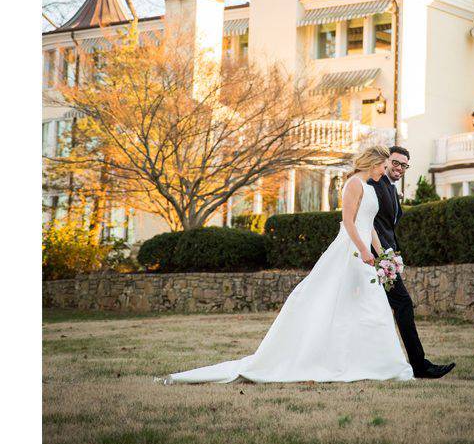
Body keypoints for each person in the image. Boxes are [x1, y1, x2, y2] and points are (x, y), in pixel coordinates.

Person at [164, 146, 415, 383]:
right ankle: (332, 358)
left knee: (369, 304)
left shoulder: (370, 188)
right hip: (350, 250)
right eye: (383, 166)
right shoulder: (353, 184)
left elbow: (368, 223)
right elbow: (348, 222)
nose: (384, 172)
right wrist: (362, 250)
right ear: (373, 163)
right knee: (334, 301)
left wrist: (382, 254)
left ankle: (378, 364)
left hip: (365, 253)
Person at [369, 145, 456, 379]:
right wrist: (382, 256)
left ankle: (416, 364)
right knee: (403, 304)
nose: (399, 168)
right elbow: (366, 222)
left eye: (404, 165)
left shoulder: (389, 187)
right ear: (385, 161)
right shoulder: (372, 184)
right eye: (395, 163)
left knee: (384, 307)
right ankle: (419, 365)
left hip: (385, 256)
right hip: (373, 258)